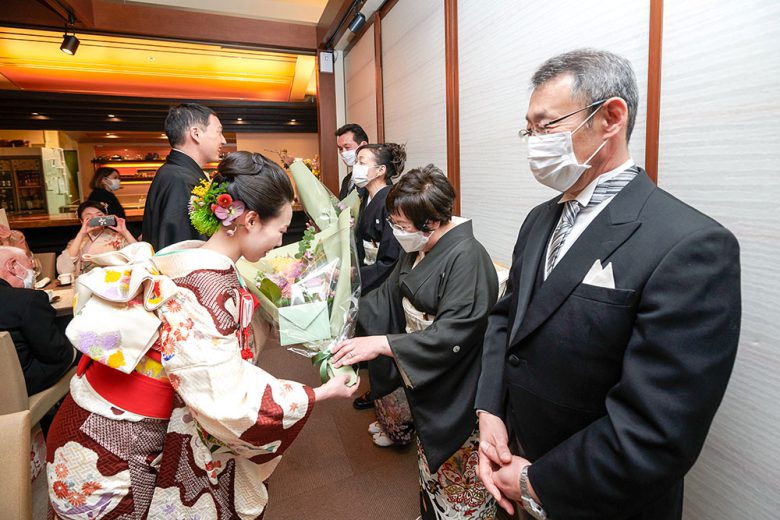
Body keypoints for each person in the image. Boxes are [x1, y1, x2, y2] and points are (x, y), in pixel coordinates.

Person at [475, 49, 741, 520]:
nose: (534, 142)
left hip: (596, 498)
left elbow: (657, 430)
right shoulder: (540, 219)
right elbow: (507, 318)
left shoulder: (690, 244)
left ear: (611, 118)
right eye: (529, 129)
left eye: (546, 125)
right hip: (511, 463)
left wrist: (535, 481)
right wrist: (490, 409)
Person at [46, 151, 358, 519]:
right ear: (251, 220)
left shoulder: (184, 254)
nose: (280, 239)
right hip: (120, 449)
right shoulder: (211, 285)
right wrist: (318, 393)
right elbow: (229, 403)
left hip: (87, 421)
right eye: (280, 228)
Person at [332, 165, 499, 519]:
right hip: (424, 364)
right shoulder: (420, 245)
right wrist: (343, 316)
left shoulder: (468, 258)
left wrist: (385, 344)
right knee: (429, 464)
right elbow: (388, 296)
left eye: (401, 226)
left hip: (458, 377)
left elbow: (453, 333)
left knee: (459, 467)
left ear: (433, 222)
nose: (395, 232)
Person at [350, 143, 405, 414]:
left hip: (385, 276)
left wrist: (358, 277)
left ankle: (383, 397)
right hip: (369, 271)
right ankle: (377, 390)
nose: (356, 166)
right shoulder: (365, 196)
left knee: (379, 332)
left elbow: (390, 257)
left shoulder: (391, 200)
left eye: (362, 161)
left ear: (381, 170)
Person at [142, 103, 226, 250]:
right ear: (196, 134)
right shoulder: (180, 179)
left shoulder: (175, 172)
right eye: (219, 132)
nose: (223, 140)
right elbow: (182, 250)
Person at [0, 246, 78, 395]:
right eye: (31, 269)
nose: (33, 276)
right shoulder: (26, 300)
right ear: (12, 266)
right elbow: (57, 354)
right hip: (21, 386)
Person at [56, 200, 137, 277]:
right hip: (85, 283)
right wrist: (81, 234)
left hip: (114, 280)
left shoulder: (117, 237)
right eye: (89, 217)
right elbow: (64, 270)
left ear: (106, 217)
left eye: (99, 215)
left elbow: (140, 256)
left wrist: (125, 232)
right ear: (81, 221)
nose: (95, 219)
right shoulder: (77, 242)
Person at [335, 123, 369, 199]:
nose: (343, 153)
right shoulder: (346, 180)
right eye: (340, 149)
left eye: (347, 147)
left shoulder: (374, 176)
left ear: (363, 145)